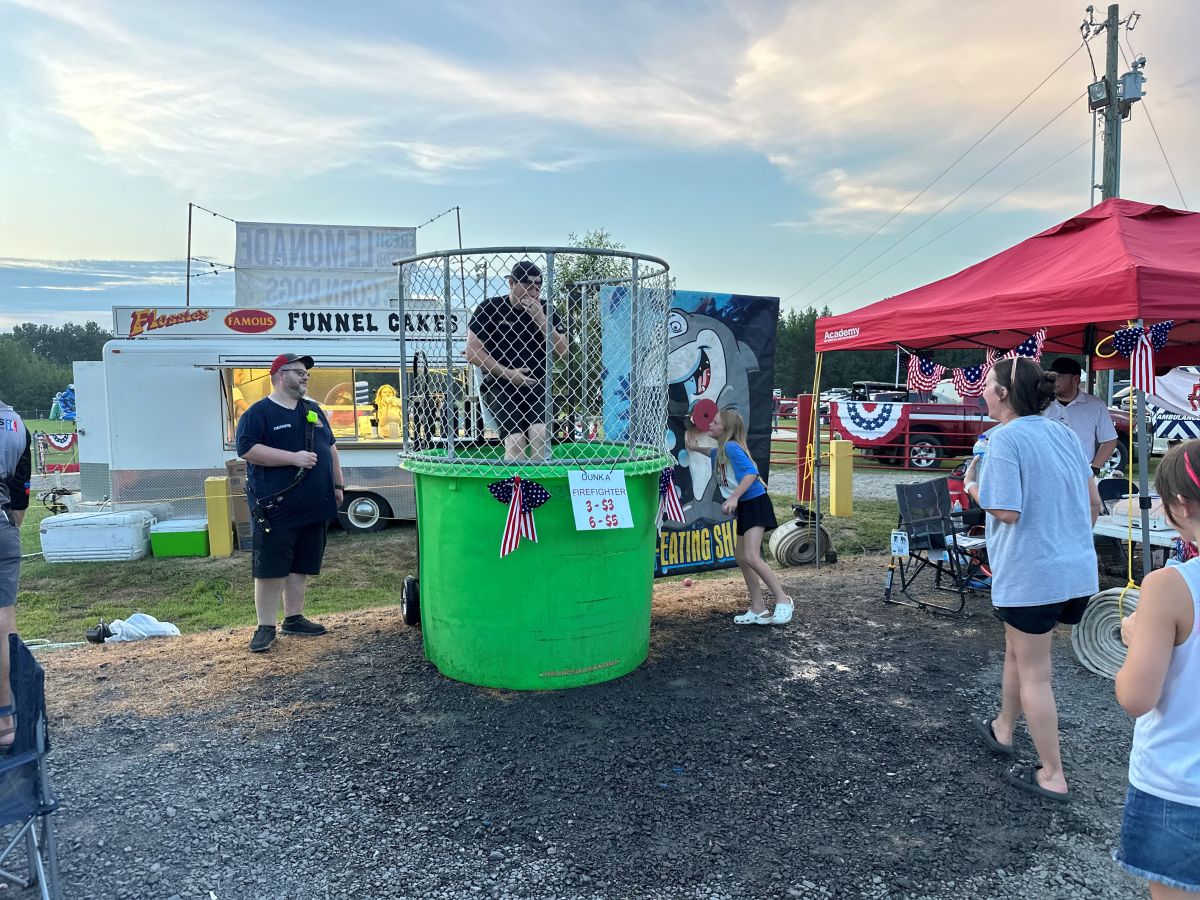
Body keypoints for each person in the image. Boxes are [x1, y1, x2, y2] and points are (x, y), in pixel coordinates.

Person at [962, 357, 1101, 801]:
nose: (981, 391)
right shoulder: (1063, 433)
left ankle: (1053, 774)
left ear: (1003, 394)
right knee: (1017, 655)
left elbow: (1005, 510)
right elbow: (1093, 501)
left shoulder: (1003, 439)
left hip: (1031, 576)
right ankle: (1004, 728)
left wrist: (972, 487)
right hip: (1074, 571)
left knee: (1036, 674)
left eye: (986, 385)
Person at [1113, 439, 1200, 897]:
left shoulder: (1169, 586)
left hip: (1180, 792)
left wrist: (1137, 638)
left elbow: (1135, 697)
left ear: (1180, 505)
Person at [236, 353, 343, 653]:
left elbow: (331, 449)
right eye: (298, 372)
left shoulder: (313, 410)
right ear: (281, 376)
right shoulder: (259, 413)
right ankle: (265, 627)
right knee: (271, 568)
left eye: (306, 372)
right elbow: (247, 450)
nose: (305, 376)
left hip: (314, 504)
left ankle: (294, 619)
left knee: (301, 565)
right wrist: (293, 458)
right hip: (276, 508)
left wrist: (338, 484)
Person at [686, 408, 793, 626]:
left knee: (752, 556)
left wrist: (734, 497)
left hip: (754, 503)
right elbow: (712, 454)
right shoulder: (722, 450)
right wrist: (695, 448)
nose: (710, 425)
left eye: (715, 422)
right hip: (746, 506)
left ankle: (783, 599)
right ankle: (758, 609)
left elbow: (752, 472)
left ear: (725, 428)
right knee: (741, 558)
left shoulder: (732, 447)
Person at [466, 260, 567, 462]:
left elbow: (563, 351)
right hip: (500, 385)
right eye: (528, 286)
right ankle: (516, 489)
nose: (533, 293)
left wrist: (541, 320)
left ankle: (538, 485)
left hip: (537, 385)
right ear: (512, 283)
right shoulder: (491, 308)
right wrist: (509, 374)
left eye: (537, 288)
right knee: (516, 441)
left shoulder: (547, 309)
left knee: (540, 434)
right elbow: (472, 351)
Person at [0, 399, 30, 749]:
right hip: (4, 523)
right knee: (4, 618)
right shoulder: (16, 422)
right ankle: (6, 717)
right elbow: (21, 499)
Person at [1042, 357, 1118, 477]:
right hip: (1046, 473)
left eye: (1059, 376)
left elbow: (1109, 440)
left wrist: (1094, 469)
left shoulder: (1095, 405)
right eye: (1052, 376)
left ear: (1075, 379)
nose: (1054, 380)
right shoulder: (1042, 406)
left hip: (1080, 474)